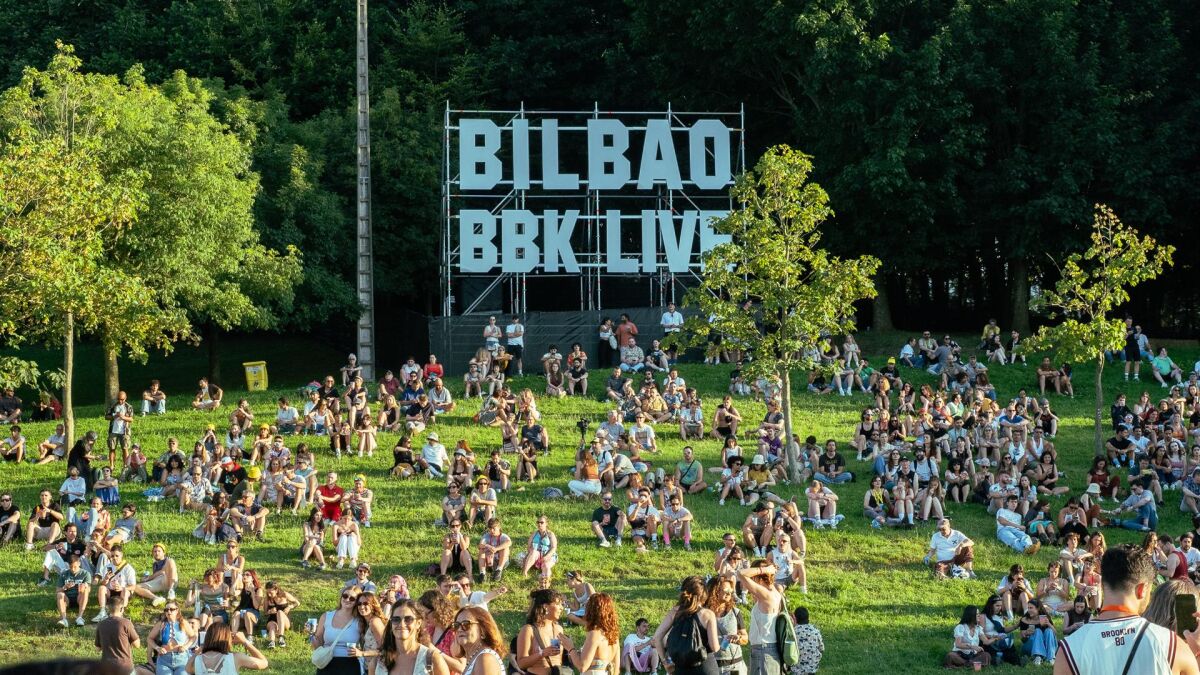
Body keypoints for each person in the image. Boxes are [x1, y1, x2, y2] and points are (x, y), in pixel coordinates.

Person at [1055, 544, 1200, 675]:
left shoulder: (1069, 649)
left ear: (1103, 585)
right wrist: (1197, 653)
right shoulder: (1173, 645)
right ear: (1142, 590)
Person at [652, 576, 719, 675]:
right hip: (705, 667)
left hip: (681, 668)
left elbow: (656, 638)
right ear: (703, 593)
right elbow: (714, 647)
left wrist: (665, 662)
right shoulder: (708, 614)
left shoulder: (675, 612)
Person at [376, 599, 451, 675]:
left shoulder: (433, 659)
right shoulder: (378, 662)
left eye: (408, 619)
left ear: (418, 623)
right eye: (396, 619)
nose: (402, 624)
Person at [737, 561, 783, 675]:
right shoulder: (774, 593)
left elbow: (740, 573)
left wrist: (765, 570)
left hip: (763, 650)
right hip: (768, 649)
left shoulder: (767, 595)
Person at [313, 586, 366, 675]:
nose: (347, 600)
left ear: (357, 602)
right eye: (345, 596)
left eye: (352, 598)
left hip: (349, 663)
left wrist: (361, 653)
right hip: (327, 662)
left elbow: (366, 644)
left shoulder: (359, 621)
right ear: (341, 597)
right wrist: (311, 634)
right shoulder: (326, 616)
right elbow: (318, 644)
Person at [565, 593, 619, 675]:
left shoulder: (595, 634)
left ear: (592, 611)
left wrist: (570, 648)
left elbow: (582, 666)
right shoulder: (613, 635)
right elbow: (616, 670)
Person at [187, 623, 269, 673]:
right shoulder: (236, 657)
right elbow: (264, 663)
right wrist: (245, 642)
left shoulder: (196, 660)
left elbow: (187, 669)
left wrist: (199, 650)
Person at [95, 591, 140, 675]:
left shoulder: (101, 624)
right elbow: (137, 645)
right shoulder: (126, 623)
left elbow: (97, 649)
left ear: (108, 608)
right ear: (122, 609)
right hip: (125, 667)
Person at [942, 605, 990, 669]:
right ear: (970, 615)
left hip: (973, 655)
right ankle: (970, 664)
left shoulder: (978, 628)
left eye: (979, 614)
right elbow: (958, 644)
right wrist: (973, 647)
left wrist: (995, 638)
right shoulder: (961, 627)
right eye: (976, 614)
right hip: (960, 654)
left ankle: (965, 665)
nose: (979, 616)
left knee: (986, 655)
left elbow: (986, 641)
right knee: (950, 655)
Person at [55, 554, 91, 627]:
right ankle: (64, 619)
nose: (73, 569)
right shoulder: (64, 574)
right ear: (68, 565)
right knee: (60, 594)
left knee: (86, 591)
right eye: (71, 567)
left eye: (75, 567)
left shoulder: (85, 574)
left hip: (79, 598)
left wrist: (84, 587)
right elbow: (57, 590)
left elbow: (89, 588)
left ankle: (80, 617)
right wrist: (64, 587)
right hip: (67, 599)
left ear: (79, 564)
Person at [521, 516, 558, 586]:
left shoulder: (550, 534)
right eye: (538, 522)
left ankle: (546, 582)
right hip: (537, 555)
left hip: (548, 555)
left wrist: (547, 556)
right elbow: (529, 546)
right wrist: (532, 552)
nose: (539, 524)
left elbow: (553, 548)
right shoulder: (534, 534)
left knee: (546, 566)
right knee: (534, 552)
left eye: (542, 522)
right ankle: (525, 572)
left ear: (546, 523)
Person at [791, 607, 824, 675]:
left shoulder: (793, 632)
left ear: (795, 618)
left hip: (797, 669)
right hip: (812, 668)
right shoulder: (815, 630)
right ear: (808, 617)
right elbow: (821, 648)